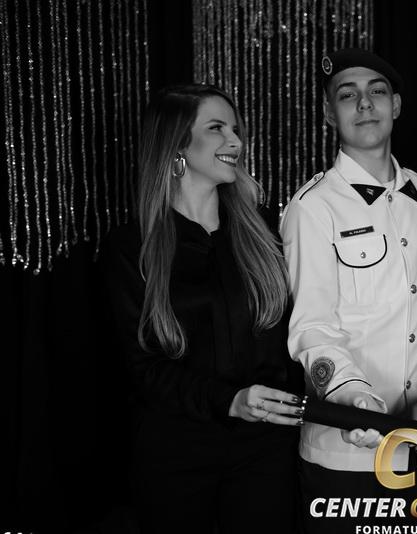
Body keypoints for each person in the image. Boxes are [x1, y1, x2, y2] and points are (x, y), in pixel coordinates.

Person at [101, 84, 304, 533]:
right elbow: (143, 367)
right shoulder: (131, 248)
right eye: (217, 129)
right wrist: (228, 401)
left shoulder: (266, 232)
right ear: (177, 143)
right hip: (176, 455)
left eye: (235, 129)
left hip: (265, 450)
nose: (235, 141)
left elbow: (296, 336)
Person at [280, 48, 417, 533]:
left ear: (395, 105)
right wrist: (354, 398)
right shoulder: (312, 207)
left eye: (377, 92)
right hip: (347, 454)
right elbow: (312, 328)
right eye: (347, 95)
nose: (364, 104)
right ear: (328, 112)